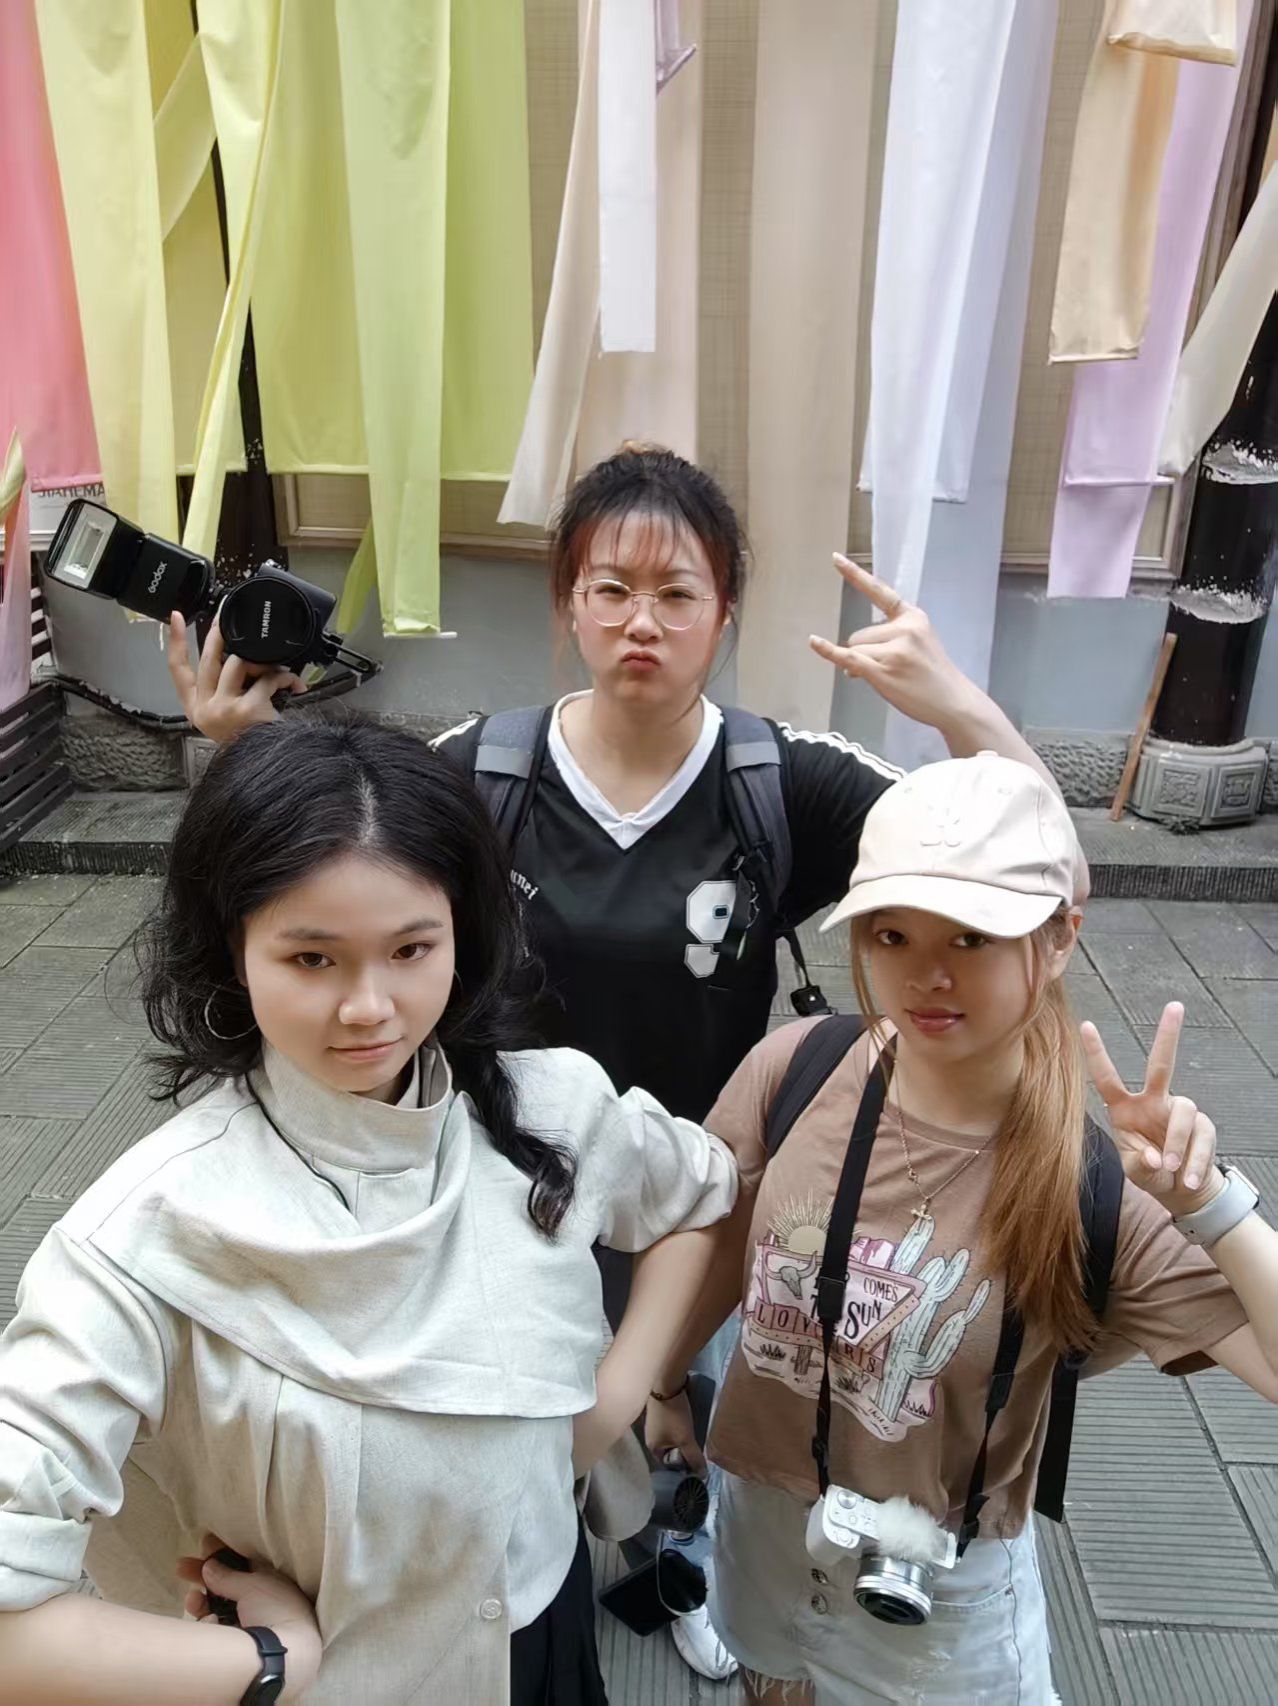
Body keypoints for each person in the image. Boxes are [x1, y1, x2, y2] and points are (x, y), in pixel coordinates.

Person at [167, 444, 1089, 1679]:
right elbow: (343, 864)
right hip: (509, 1169)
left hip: (707, 1180)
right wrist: (247, 750)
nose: (640, 620)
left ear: (725, 611)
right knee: (520, 1389)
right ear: (568, 604)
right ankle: (511, 1563)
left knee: (694, 1392)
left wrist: (956, 703)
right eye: (609, 588)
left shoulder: (781, 778)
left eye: (676, 591)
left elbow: (1035, 869)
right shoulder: (487, 769)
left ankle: (680, 1550)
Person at [0, 719, 744, 1706]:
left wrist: (615, 1394)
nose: (369, 1007)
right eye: (313, 959)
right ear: (233, 951)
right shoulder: (142, 1238)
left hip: (544, 1625)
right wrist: (266, 1664)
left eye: (410, 948)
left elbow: (700, 1194)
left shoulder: (552, 1107)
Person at [645, 754, 1278, 1704]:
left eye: (974, 936)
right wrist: (663, 1384)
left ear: (1060, 939)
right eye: (891, 933)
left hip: (935, 1592)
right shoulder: (800, 1068)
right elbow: (723, 1240)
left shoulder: (1086, 1186)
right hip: (764, 1522)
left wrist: (1209, 1203)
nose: (926, 975)